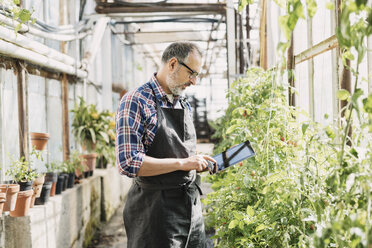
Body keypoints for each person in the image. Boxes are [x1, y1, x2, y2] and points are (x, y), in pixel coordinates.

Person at [115, 41, 217, 248]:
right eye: (191, 74)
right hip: (155, 212)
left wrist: (198, 162)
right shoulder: (136, 101)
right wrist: (182, 164)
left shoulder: (182, 102)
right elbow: (128, 162)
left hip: (190, 206)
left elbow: (183, 151)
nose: (194, 82)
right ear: (172, 64)